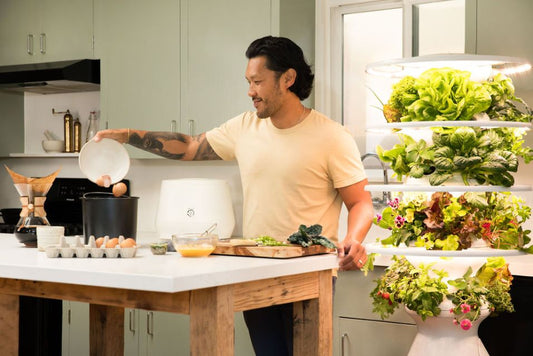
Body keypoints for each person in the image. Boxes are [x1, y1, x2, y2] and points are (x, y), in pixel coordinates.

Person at [94, 35, 373, 356]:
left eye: (257, 81)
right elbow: (188, 146)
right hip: (254, 270)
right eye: (248, 82)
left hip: (308, 272)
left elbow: (360, 202)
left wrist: (354, 238)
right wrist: (128, 136)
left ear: (288, 79)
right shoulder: (245, 127)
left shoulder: (331, 136)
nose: (250, 91)